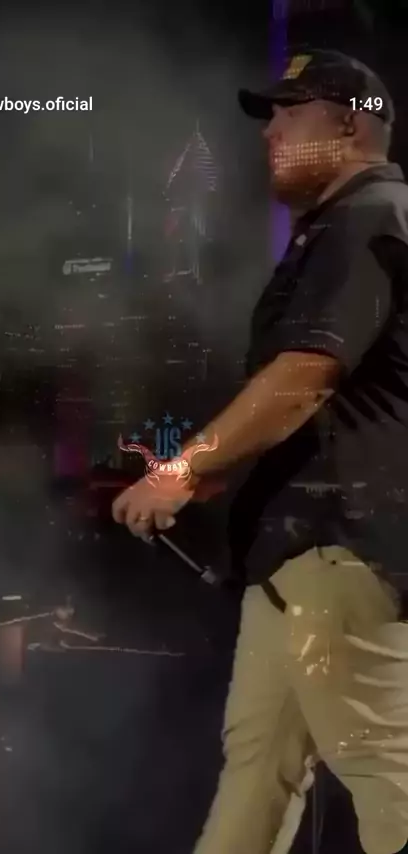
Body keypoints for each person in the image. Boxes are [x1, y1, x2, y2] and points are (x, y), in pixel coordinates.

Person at [112, 48, 408, 854]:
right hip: (297, 564)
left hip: (337, 557)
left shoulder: (365, 219)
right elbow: (333, 403)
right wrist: (225, 469)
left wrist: (185, 467)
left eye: (291, 110)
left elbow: (306, 376)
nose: (270, 130)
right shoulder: (341, 227)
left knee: (388, 773)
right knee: (257, 771)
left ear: (351, 125)